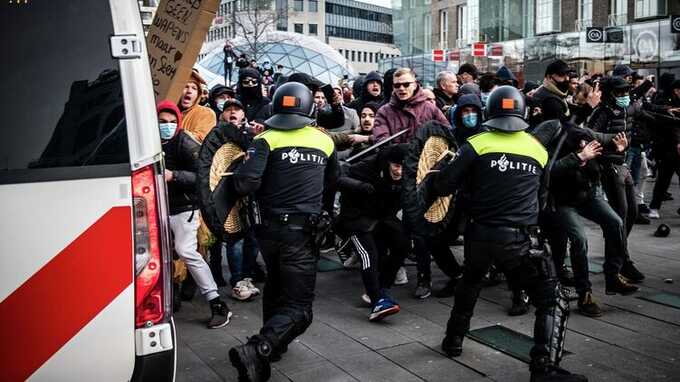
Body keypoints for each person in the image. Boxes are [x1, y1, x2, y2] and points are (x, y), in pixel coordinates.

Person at [421, 86, 587, 382]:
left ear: (490, 111)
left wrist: (433, 172)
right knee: (552, 300)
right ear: (522, 112)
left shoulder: (475, 144)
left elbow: (443, 186)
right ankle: (543, 368)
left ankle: (453, 340)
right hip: (518, 240)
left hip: (478, 236)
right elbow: (541, 196)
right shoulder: (537, 148)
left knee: (469, 284)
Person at [229, 82, 339, 381]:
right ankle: (259, 348)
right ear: (309, 108)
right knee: (301, 309)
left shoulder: (265, 139)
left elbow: (245, 184)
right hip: (302, 234)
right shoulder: (324, 142)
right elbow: (333, 180)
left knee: (276, 286)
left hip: (267, 231)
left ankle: (271, 350)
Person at [157, 100, 232, 328]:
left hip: (183, 208)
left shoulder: (184, 141)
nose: (167, 126)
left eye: (172, 122)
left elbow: (203, 176)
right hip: (158, 209)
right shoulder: (147, 143)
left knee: (186, 251)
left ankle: (217, 303)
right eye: (162, 122)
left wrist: (174, 176)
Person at [335, 145, 410, 321]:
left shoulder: (409, 172)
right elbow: (340, 177)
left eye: (403, 167)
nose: (399, 171)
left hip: (382, 216)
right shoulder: (368, 166)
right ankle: (377, 301)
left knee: (403, 243)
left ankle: (382, 289)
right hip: (356, 217)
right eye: (396, 166)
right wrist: (360, 186)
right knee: (369, 255)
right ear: (388, 163)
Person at [372, 68, 450, 144]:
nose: (401, 88)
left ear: (415, 85)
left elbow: (448, 134)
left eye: (406, 84)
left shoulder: (431, 109)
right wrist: (400, 150)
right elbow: (381, 142)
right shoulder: (384, 112)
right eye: (397, 85)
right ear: (393, 87)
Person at [649, 79, 680, 218]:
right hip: (668, 148)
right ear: (676, 90)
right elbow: (668, 126)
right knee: (663, 178)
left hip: (675, 147)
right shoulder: (665, 102)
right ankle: (654, 207)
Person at [178, 70, 217, 143]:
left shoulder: (206, 113)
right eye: (186, 86)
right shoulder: (168, 111)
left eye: (194, 88)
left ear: (198, 94)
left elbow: (199, 139)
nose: (189, 91)